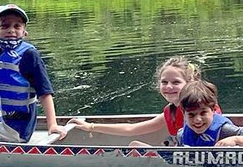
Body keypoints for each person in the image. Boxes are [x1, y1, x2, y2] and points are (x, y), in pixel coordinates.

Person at [70, 56, 203, 144]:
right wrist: (91, 127)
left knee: (136, 146)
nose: (169, 87)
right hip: (181, 155)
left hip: (197, 156)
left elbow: (220, 126)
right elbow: (131, 129)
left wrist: (225, 139)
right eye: (164, 82)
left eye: (176, 82)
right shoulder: (170, 112)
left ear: (189, 83)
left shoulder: (202, 107)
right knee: (135, 145)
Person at [0, 3, 66, 142]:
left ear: (24, 32)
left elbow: (44, 91)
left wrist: (52, 125)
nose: (11, 30)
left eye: (17, 26)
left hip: (18, 125)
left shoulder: (29, 54)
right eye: (5, 26)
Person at [175, 79, 243, 147]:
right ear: (183, 113)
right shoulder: (181, 135)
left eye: (203, 113)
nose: (197, 119)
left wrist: (235, 139)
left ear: (213, 109)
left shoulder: (224, 130)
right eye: (191, 114)